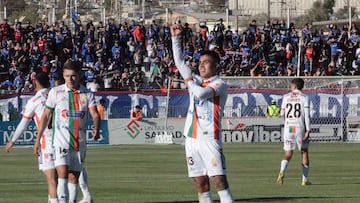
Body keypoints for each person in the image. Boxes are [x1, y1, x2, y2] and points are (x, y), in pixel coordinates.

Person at [171, 23, 234, 202]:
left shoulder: (219, 84)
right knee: (200, 183)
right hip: (191, 139)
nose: (201, 66)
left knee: (220, 182)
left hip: (209, 139)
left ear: (216, 66)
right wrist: (176, 39)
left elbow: (201, 93)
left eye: (206, 62)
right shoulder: (198, 81)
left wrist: (189, 81)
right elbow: (180, 63)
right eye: (200, 62)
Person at [34, 59, 100, 203]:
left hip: (79, 142)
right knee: (62, 174)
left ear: (79, 76)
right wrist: (38, 139)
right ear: (63, 76)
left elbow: (95, 114)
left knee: (73, 177)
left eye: (73, 76)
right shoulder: (56, 92)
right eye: (67, 75)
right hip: (60, 142)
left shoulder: (87, 94)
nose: (70, 79)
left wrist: (97, 127)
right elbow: (46, 116)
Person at [5, 73, 58, 203]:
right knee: (60, 179)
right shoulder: (57, 95)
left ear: (35, 83)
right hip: (62, 140)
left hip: (47, 141)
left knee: (51, 180)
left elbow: (23, 124)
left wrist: (12, 140)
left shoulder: (34, 101)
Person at [277, 78, 311, 186]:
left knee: (288, 153)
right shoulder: (305, 97)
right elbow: (306, 115)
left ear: (294, 86)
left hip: (288, 128)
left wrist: (287, 123)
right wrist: (308, 129)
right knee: (304, 151)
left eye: (291, 85)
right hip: (300, 127)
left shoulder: (286, 97)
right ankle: (304, 180)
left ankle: (282, 172)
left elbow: (281, 114)